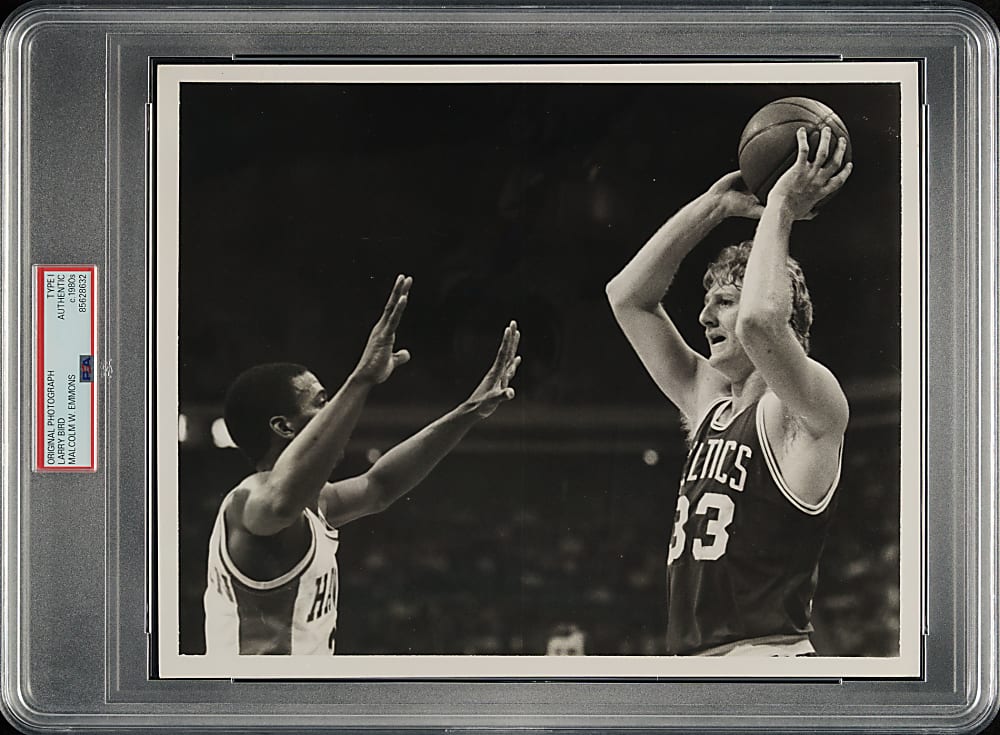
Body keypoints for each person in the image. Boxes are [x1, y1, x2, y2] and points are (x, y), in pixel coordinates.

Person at [606, 127, 853, 656]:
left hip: (767, 658)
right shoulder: (708, 401)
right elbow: (627, 298)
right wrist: (713, 206)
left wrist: (781, 206)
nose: (702, 316)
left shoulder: (807, 403)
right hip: (694, 665)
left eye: (722, 300)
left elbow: (762, 321)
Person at [203, 275, 521, 656]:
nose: (334, 410)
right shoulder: (248, 501)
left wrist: (468, 411)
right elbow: (279, 502)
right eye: (321, 401)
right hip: (254, 709)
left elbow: (380, 486)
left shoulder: (317, 504)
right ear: (284, 427)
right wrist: (362, 378)